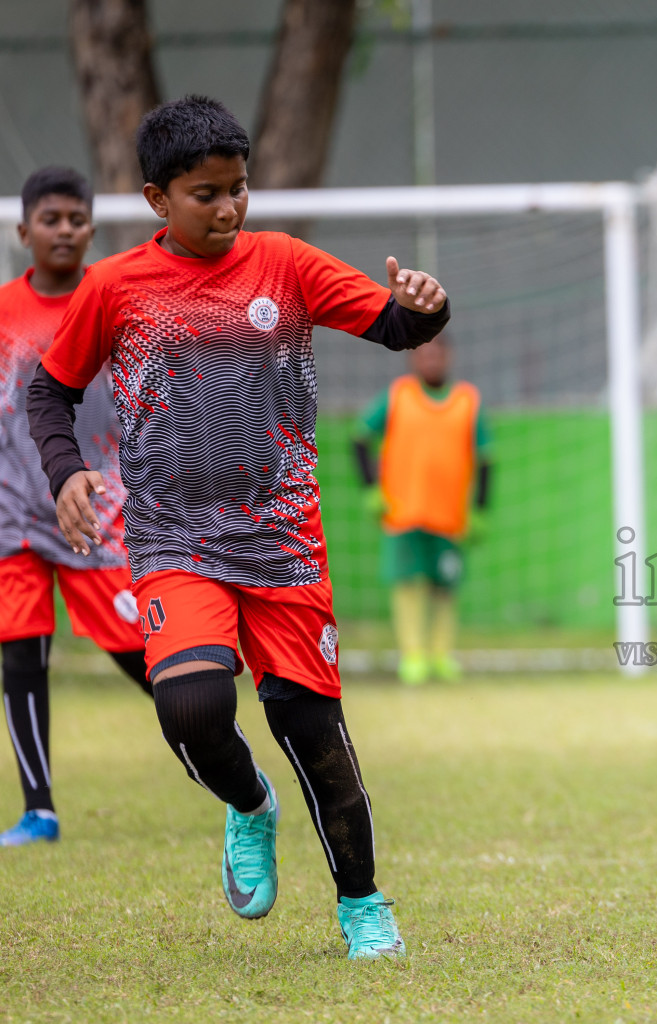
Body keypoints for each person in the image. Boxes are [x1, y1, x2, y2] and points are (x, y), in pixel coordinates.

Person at [26, 96, 448, 959]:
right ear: (157, 200)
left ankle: (362, 904)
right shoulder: (115, 287)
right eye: (207, 194)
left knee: (312, 733)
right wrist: (66, 471)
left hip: (283, 539)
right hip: (175, 538)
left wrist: (426, 307)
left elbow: (395, 326)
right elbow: (50, 391)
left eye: (239, 190)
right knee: (191, 702)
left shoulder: (285, 264)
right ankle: (250, 803)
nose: (228, 209)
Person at [1, 167, 150, 848]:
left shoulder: (110, 301)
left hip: (95, 511)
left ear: (91, 229)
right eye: (51, 219)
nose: (64, 230)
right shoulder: (3, 312)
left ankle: (224, 751)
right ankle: (40, 809)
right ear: (23, 230)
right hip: (13, 518)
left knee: (144, 655)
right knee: (20, 656)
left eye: (76, 219)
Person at [353, 335, 490, 685]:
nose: (431, 360)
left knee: (445, 586)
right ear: (413, 358)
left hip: (450, 515)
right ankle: (412, 654)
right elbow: (359, 438)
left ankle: (441, 654)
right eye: (424, 354)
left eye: (437, 353)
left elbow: (487, 460)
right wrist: (372, 490)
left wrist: (480, 509)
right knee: (407, 584)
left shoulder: (467, 401)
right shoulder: (398, 396)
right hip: (404, 511)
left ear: (448, 356)